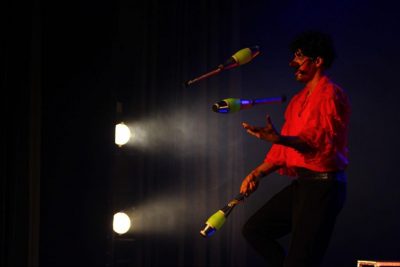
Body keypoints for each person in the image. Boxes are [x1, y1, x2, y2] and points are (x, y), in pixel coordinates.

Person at [240, 31, 351, 267]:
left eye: (299, 57)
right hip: (304, 185)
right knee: (255, 230)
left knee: (301, 260)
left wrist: (278, 139)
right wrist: (256, 173)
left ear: (318, 61)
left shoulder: (330, 95)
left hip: (324, 187)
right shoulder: (298, 101)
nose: (293, 63)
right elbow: (283, 153)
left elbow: (314, 142)